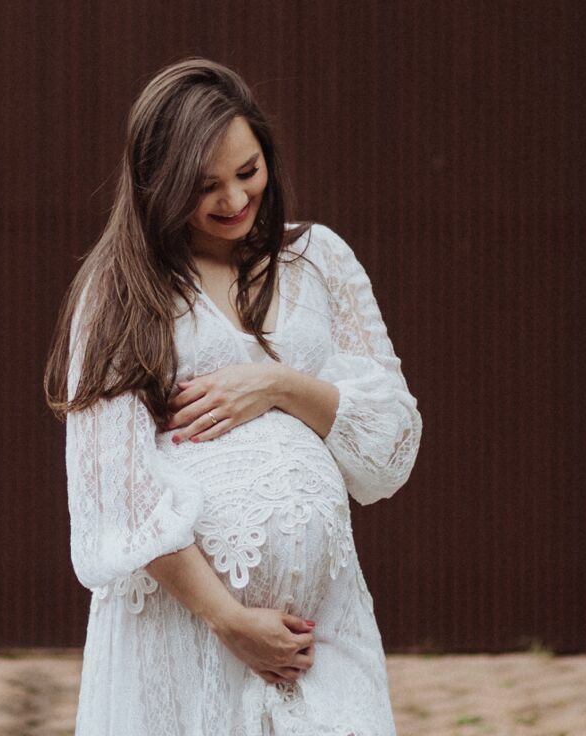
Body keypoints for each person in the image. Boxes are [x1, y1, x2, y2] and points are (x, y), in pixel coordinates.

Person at [44, 57, 423, 735]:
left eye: (248, 171)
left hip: (323, 630)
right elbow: (115, 487)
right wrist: (228, 620)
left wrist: (278, 385)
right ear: (158, 184)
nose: (234, 200)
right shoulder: (123, 290)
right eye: (204, 186)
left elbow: (390, 439)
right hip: (183, 633)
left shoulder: (320, 260)